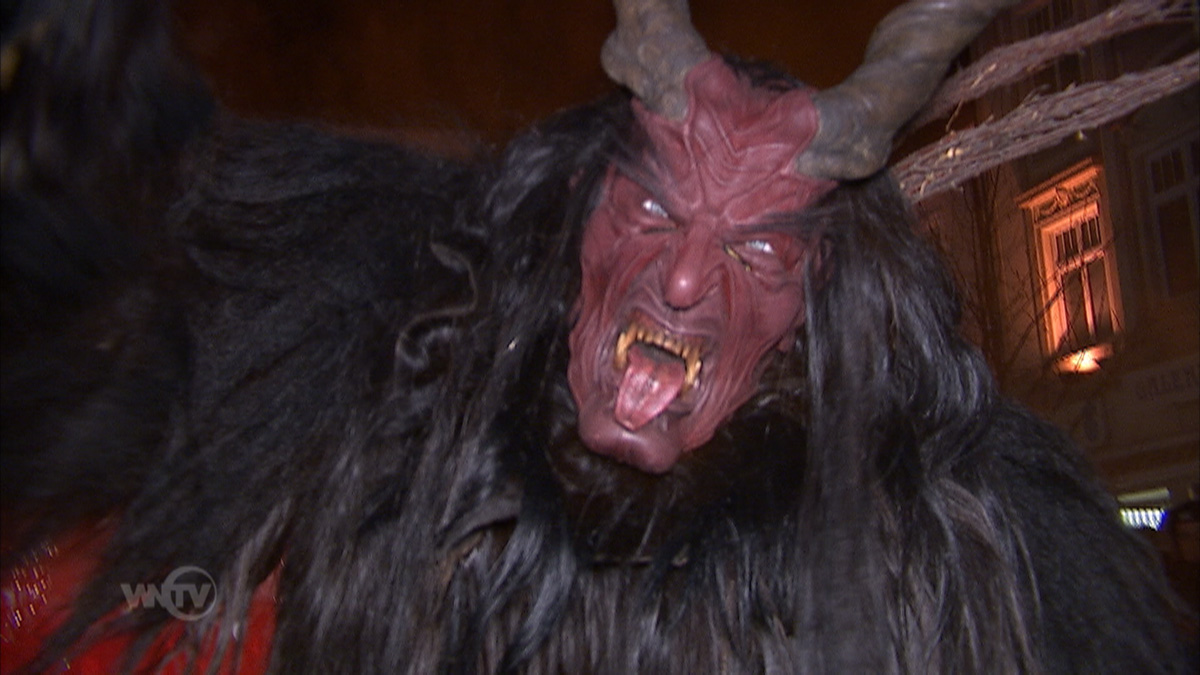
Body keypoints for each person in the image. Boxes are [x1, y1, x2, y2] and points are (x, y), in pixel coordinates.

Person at [2, 0, 1191, 672]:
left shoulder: (945, 550)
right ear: (572, 218)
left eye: (761, 251)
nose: (684, 275)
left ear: (815, 320)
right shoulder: (394, 372)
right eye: (653, 209)